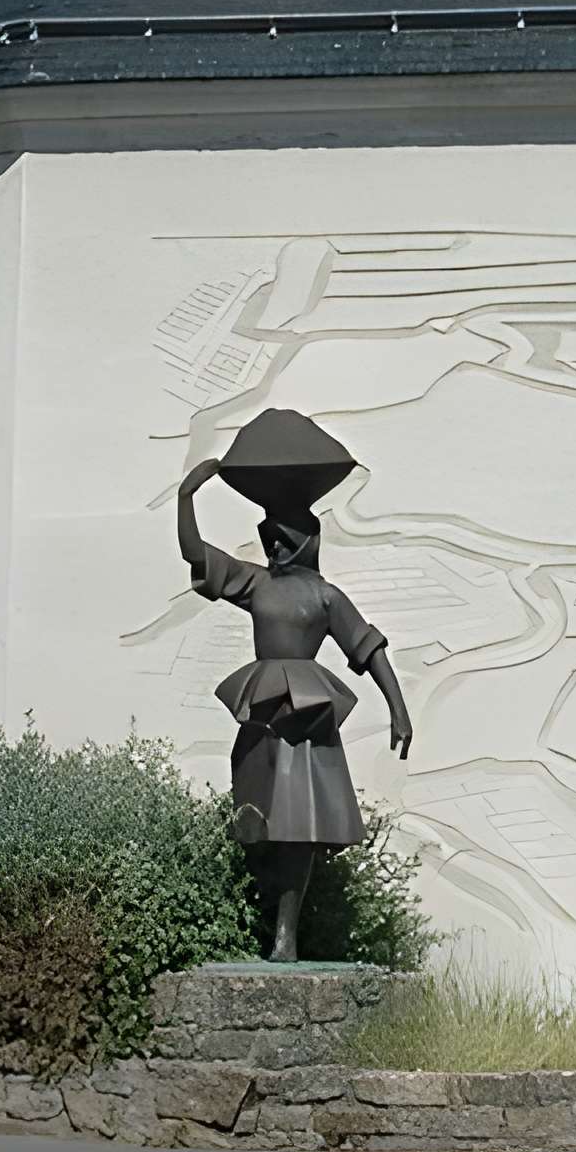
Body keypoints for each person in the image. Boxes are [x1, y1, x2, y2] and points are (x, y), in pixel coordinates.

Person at [174, 408, 412, 963]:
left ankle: (287, 934)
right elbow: (195, 553)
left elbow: (369, 649)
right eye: (268, 540)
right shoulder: (256, 584)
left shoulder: (325, 596)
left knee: (300, 826)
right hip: (263, 713)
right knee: (256, 822)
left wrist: (398, 710)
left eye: (281, 539)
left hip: (307, 717)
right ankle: (256, 923)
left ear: (304, 541)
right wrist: (187, 497)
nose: (273, 548)